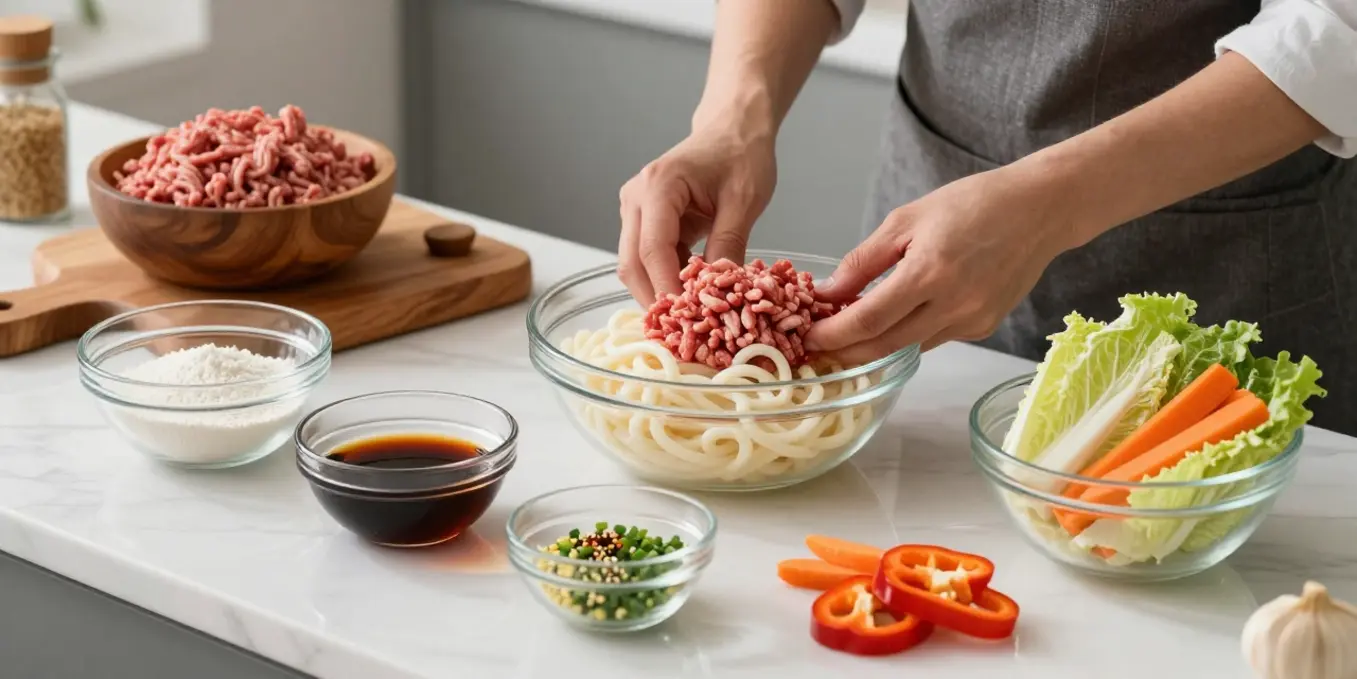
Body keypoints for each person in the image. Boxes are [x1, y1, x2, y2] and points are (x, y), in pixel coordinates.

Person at [616, 0, 1356, 435]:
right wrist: (730, 117)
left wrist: (1045, 204)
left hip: (1225, 262)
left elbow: (1330, 26)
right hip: (920, 229)